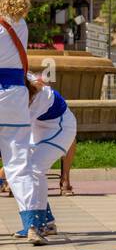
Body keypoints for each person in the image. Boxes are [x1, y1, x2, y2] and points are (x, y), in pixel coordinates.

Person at [17, 75, 76, 240]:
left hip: (60, 129)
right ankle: (47, 222)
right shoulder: (18, 79)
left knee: (35, 169)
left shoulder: (37, 98)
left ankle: (38, 224)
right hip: (39, 127)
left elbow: (15, 131)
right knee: (25, 172)